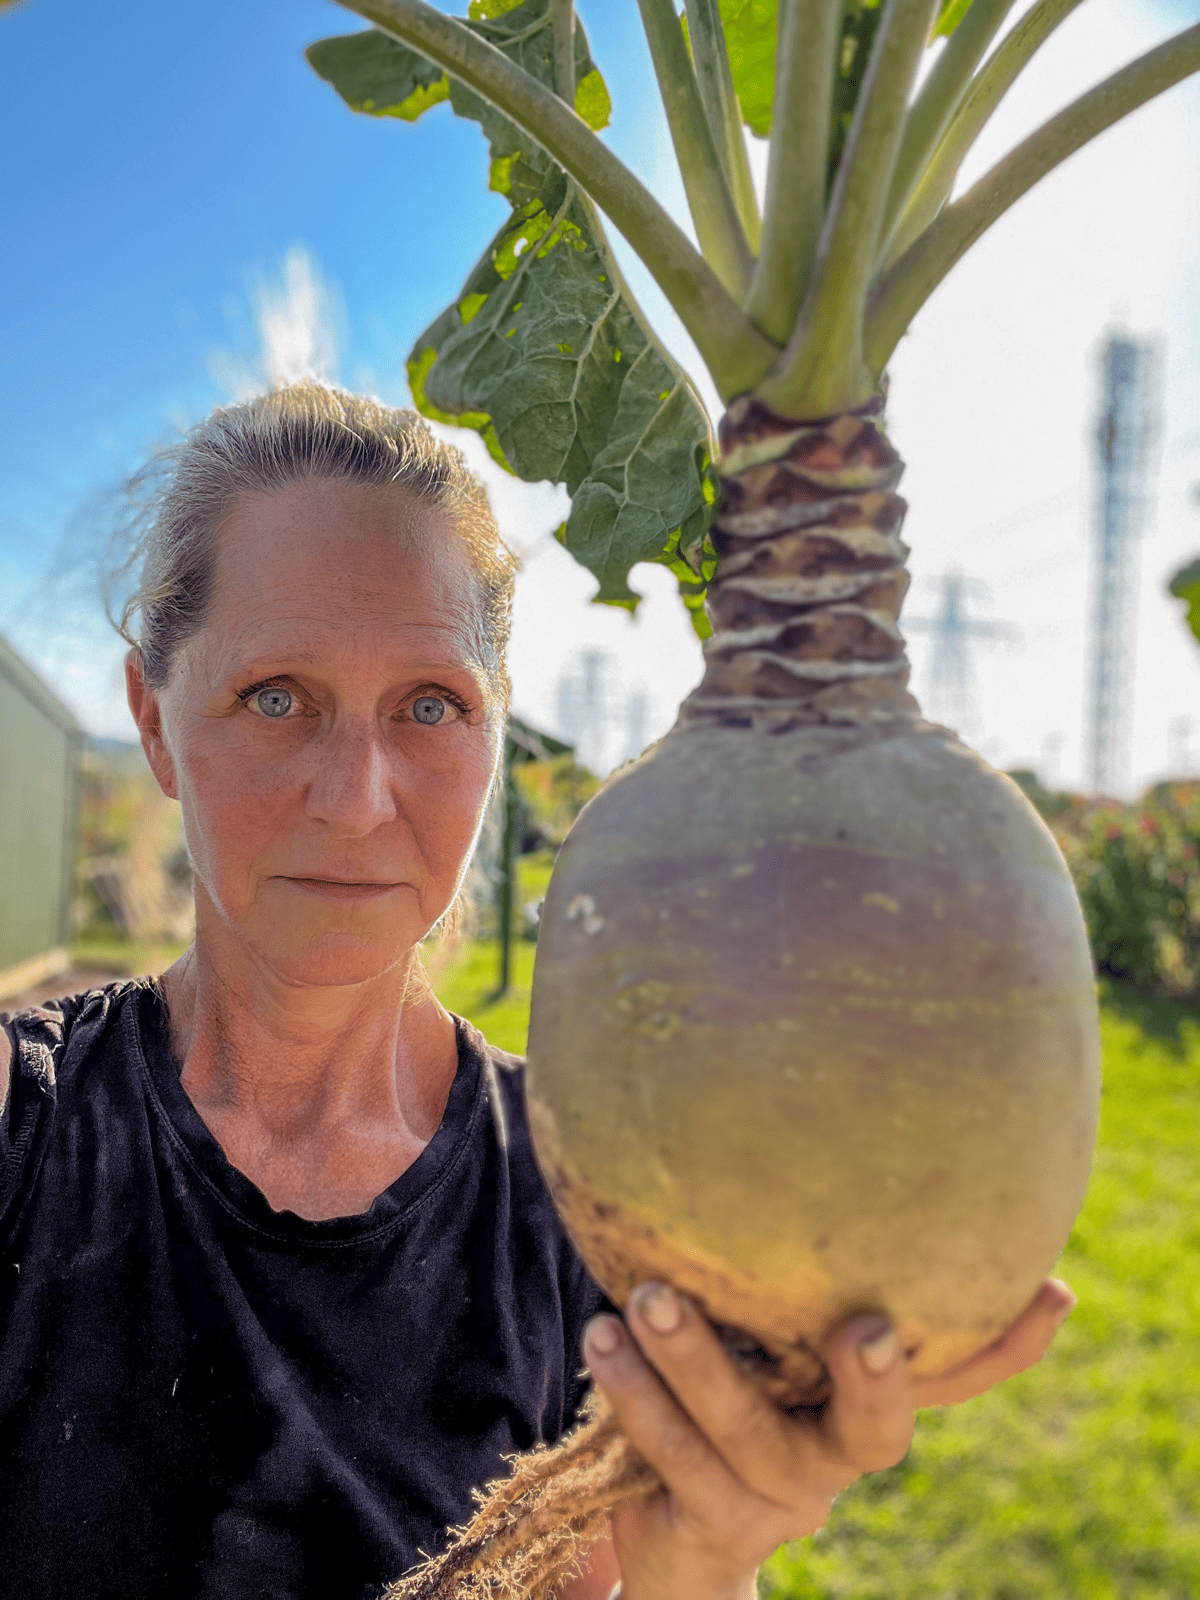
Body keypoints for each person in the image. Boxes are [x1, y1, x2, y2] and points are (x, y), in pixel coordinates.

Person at [0, 383, 1074, 1600]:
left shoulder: (598, 1196)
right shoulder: (23, 1128)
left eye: (430, 705)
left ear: (497, 731)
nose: (357, 799)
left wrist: (702, 1567)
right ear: (153, 717)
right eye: (276, 696)